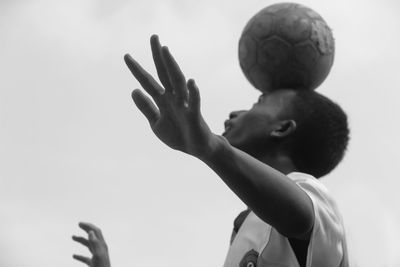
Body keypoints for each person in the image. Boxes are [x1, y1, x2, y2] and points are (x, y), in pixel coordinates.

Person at [124, 35, 350, 267]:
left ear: (281, 128)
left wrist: (211, 148)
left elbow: (300, 217)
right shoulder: (248, 225)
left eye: (257, 104)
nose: (234, 113)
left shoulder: (312, 195)